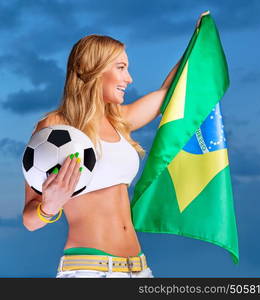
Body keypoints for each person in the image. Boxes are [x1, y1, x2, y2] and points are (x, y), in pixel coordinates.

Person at [22, 34, 179, 278]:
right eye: (121, 67)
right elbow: (30, 220)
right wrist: (49, 206)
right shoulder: (54, 128)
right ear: (91, 68)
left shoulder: (120, 121)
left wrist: (200, 40)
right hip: (89, 271)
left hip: (139, 269)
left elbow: (171, 91)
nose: (129, 78)